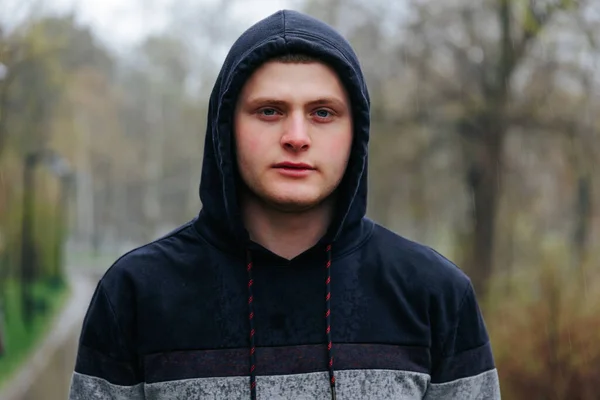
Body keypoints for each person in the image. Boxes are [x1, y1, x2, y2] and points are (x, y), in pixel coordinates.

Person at [69, 9, 501, 400]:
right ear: (226, 128)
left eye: (323, 113)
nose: (297, 136)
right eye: (270, 111)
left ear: (357, 132)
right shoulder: (136, 294)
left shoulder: (435, 295)